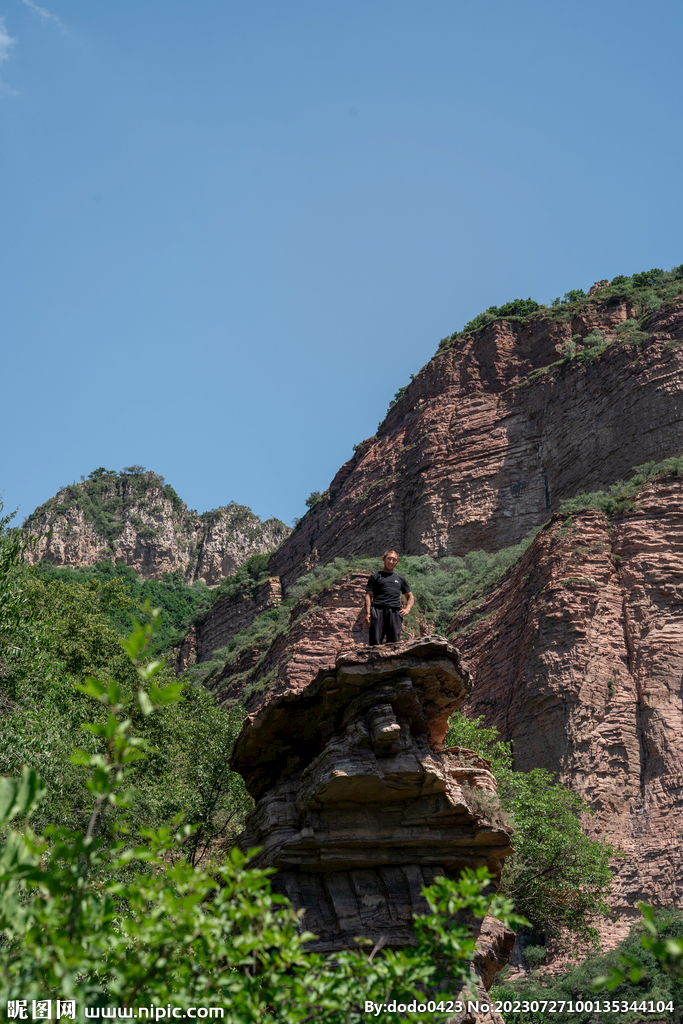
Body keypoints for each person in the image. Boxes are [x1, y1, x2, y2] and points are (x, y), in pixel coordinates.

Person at [364, 549, 414, 646]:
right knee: (375, 641)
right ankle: (375, 661)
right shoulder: (375, 576)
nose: (391, 562)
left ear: (397, 562)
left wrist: (407, 609)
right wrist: (368, 613)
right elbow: (368, 596)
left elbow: (410, 597)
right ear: (383, 559)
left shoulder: (400, 579)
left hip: (394, 611)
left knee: (394, 642)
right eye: (389, 559)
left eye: (394, 560)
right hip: (378, 610)